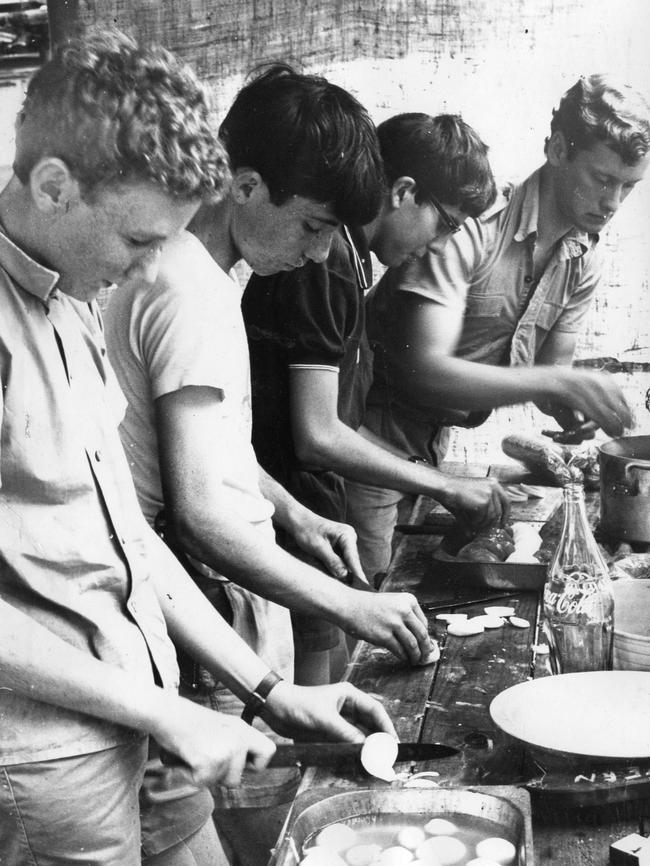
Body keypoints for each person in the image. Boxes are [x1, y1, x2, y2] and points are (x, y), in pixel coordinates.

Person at [0, 34, 397, 866]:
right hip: (44, 760)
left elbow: (126, 539)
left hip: (141, 710)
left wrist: (272, 692)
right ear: (52, 186)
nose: (146, 268)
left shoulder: (71, 298)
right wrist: (165, 713)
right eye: (140, 242)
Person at [104, 65, 430, 866]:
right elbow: (199, 514)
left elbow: (215, 452)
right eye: (315, 226)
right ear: (246, 186)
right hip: (190, 612)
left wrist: (291, 509)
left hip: (206, 603)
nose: (321, 255)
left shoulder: (211, 272)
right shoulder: (186, 290)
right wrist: (351, 608)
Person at [348, 75, 646, 575]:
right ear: (557, 149)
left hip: (433, 439)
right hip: (368, 430)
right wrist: (561, 382)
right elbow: (422, 368)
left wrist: (573, 406)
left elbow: (552, 375)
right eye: (602, 179)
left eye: (628, 186)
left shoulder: (582, 257)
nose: (613, 203)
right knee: (366, 605)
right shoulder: (470, 223)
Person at [244, 113, 511, 586]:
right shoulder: (329, 263)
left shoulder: (351, 264)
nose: (439, 248)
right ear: (403, 192)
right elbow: (316, 436)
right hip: (287, 519)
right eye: (446, 225)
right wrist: (444, 484)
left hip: (306, 513)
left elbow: (333, 422)